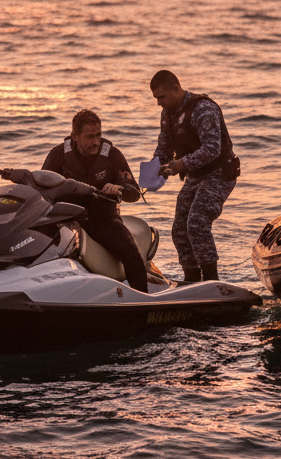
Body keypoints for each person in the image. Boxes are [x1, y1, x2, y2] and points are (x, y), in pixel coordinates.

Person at [42, 109, 149, 292]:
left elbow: (135, 193)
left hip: (104, 220)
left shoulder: (112, 155)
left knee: (131, 253)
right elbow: (41, 192)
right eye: (90, 136)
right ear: (75, 136)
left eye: (99, 135)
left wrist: (120, 188)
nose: (96, 142)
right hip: (68, 221)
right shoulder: (58, 155)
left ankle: (143, 299)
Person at [149, 70, 240, 284]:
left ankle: (210, 278)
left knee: (197, 222)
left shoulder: (203, 109)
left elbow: (212, 148)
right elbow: (164, 146)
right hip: (195, 176)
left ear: (176, 89)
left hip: (219, 173)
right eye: (155, 98)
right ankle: (191, 278)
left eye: (161, 97)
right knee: (179, 228)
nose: (158, 103)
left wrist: (181, 164)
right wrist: (154, 168)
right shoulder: (168, 114)